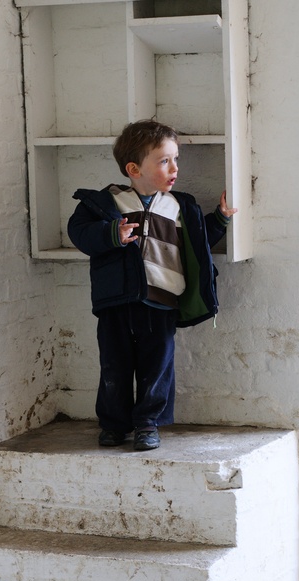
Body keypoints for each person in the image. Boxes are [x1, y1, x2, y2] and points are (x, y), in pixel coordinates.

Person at [67, 119, 237, 451]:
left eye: (176, 159)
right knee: (114, 364)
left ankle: (148, 422)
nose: (174, 168)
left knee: (157, 364)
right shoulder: (106, 203)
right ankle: (113, 424)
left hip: (162, 301)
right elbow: (80, 232)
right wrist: (112, 234)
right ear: (134, 169)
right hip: (116, 300)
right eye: (164, 161)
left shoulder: (178, 206)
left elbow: (199, 241)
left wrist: (220, 218)